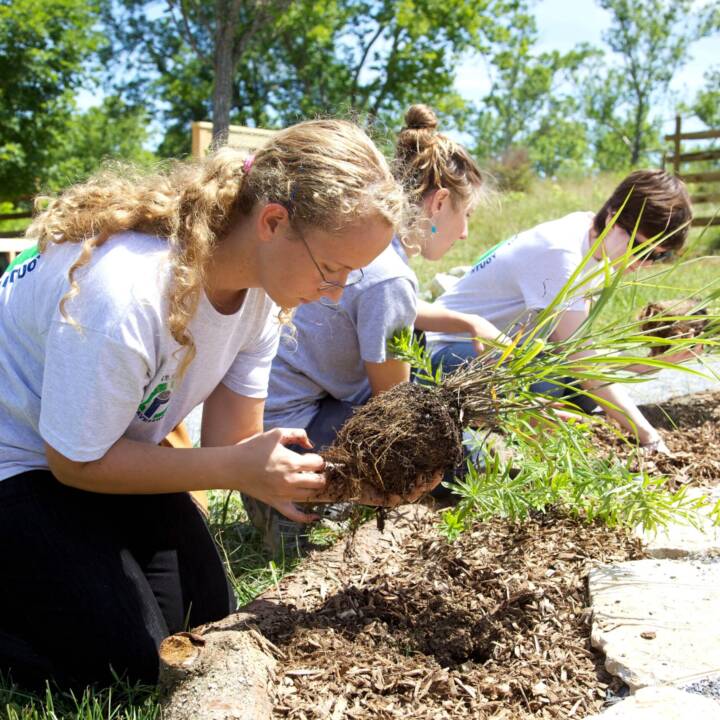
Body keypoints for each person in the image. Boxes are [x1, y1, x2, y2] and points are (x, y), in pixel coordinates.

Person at [0, 119, 434, 689]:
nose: (334, 293)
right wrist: (238, 469)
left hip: (105, 453)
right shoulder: (127, 292)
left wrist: (352, 482)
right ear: (273, 222)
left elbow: (231, 447)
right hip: (24, 463)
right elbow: (73, 462)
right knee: (120, 664)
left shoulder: (259, 297)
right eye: (332, 270)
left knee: (203, 623)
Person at [243, 104, 504, 552]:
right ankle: (319, 513)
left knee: (432, 376)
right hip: (293, 442)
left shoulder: (369, 255)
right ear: (440, 202)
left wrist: (467, 320)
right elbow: (392, 414)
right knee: (469, 455)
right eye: (467, 215)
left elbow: (385, 305)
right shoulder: (389, 276)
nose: (464, 235)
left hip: (268, 425)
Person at [426, 169, 694, 452]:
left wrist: (644, 365)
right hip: (447, 353)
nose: (645, 263)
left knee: (575, 392)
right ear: (614, 218)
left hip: (505, 351)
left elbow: (577, 350)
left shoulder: (593, 242)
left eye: (660, 256)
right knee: (550, 385)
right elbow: (582, 365)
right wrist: (649, 437)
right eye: (642, 250)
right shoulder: (562, 255)